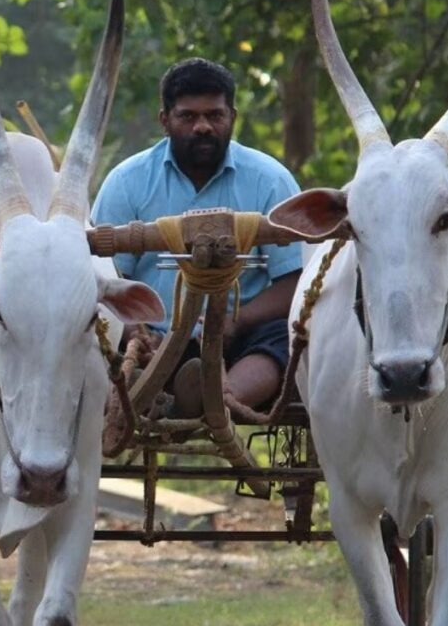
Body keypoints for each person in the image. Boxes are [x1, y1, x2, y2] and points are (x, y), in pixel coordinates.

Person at [90, 58, 301, 413]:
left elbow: (295, 279)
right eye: (188, 117)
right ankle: (171, 386)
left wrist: (239, 320)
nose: (202, 127)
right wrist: (135, 333)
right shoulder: (127, 182)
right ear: (165, 121)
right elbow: (104, 278)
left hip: (241, 341)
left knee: (287, 336)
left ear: (232, 117)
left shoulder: (270, 181)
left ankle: (214, 399)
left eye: (214, 116)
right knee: (96, 333)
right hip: (151, 340)